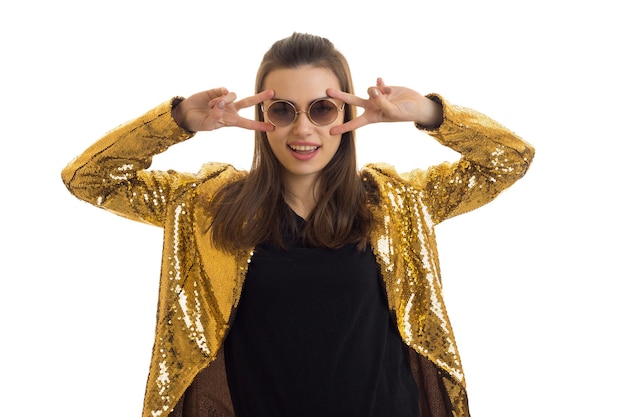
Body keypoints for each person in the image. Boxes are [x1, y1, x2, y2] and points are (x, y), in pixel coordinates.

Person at [62, 32, 534, 417]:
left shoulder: (394, 204)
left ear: (347, 114)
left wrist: (429, 114)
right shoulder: (207, 206)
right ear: (262, 116)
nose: (303, 129)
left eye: (322, 109)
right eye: (283, 110)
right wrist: (179, 119)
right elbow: (89, 180)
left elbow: (508, 161)